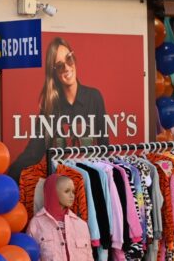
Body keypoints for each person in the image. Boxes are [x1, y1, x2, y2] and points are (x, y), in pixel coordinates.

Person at [9, 37, 109, 179]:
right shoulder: (50, 107)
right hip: (61, 186)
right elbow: (33, 152)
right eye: (60, 65)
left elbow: (105, 147)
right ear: (54, 73)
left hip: (90, 182)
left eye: (69, 59)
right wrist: (9, 176)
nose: (67, 67)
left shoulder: (94, 97)